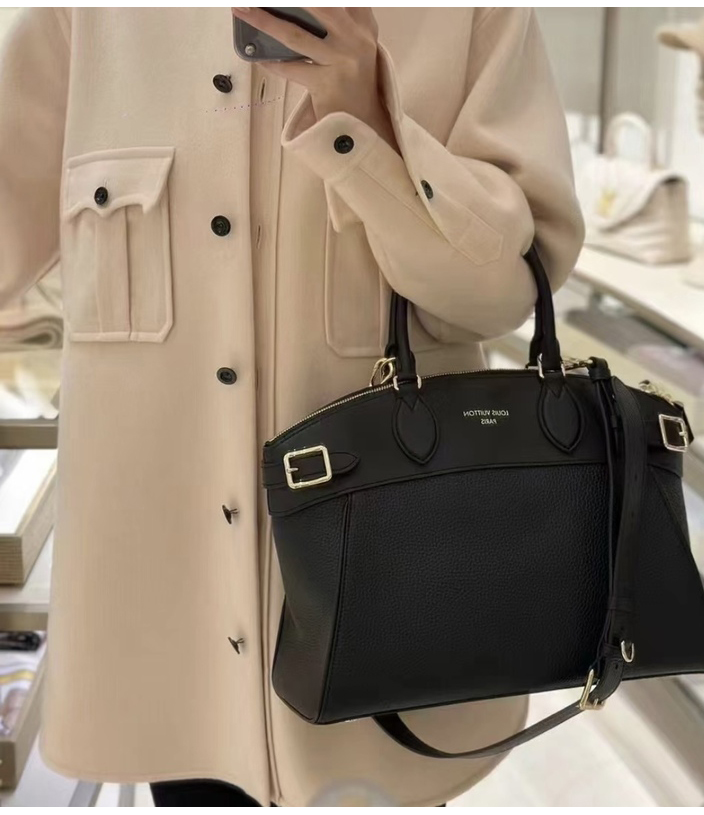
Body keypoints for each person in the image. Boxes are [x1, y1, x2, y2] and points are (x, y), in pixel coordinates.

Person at [0, 6, 583, 807]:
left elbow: (501, 299)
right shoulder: (85, 20)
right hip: (174, 643)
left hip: (390, 619)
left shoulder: (470, 19)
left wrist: (368, 122)